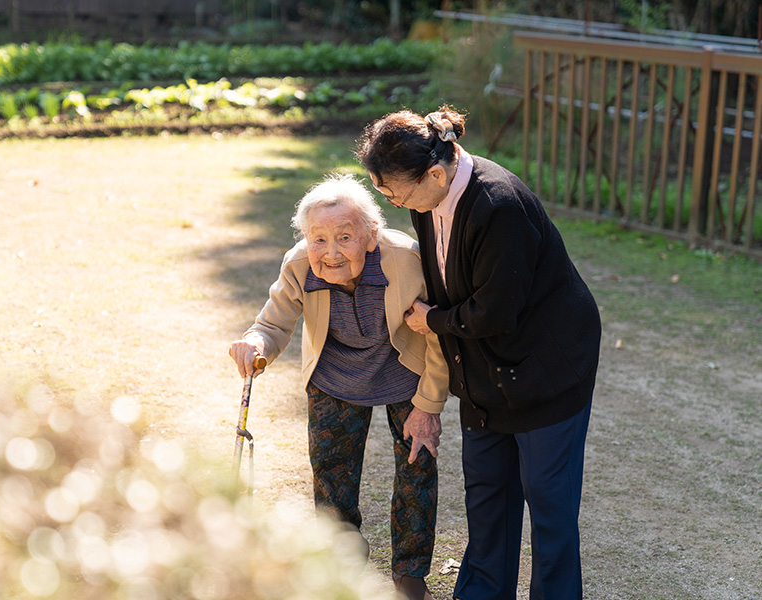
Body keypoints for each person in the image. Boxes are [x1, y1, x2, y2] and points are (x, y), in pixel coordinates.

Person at [355, 105, 602, 600]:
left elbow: (495, 311)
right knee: (487, 503)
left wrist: (432, 320)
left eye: (394, 191)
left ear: (436, 173)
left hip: (546, 372)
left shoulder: (498, 204)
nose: (392, 199)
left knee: (549, 511)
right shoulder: (427, 197)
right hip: (484, 375)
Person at [229, 173, 449, 600]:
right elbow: (272, 323)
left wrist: (429, 405)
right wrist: (256, 343)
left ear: (371, 235)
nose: (330, 252)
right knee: (332, 480)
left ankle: (410, 574)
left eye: (344, 237)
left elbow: (437, 336)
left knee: (417, 471)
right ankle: (340, 565)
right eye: (318, 239)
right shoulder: (298, 264)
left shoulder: (404, 259)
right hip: (334, 378)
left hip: (404, 373)